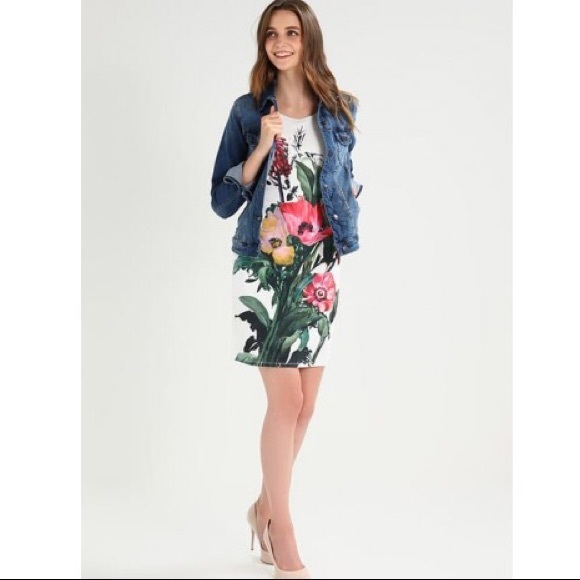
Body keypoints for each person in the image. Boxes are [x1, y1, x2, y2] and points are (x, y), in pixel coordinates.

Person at [210, 1, 362, 577]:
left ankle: (262, 508)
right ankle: (283, 531)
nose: (281, 42)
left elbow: (342, 186)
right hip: (265, 265)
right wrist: (258, 150)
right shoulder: (248, 111)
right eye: (272, 34)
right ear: (264, 43)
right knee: (287, 402)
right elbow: (222, 200)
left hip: (319, 266)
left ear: (308, 40)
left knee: (308, 406)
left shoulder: (340, 109)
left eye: (292, 32)